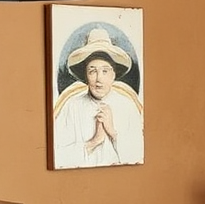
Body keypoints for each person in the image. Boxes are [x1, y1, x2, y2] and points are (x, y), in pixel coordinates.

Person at [52, 26, 144, 168]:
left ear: (114, 75)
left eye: (105, 71)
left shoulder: (128, 106)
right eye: (92, 71)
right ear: (85, 75)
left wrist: (113, 132)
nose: (99, 79)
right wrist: (94, 141)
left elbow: (138, 156)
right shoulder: (72, 106)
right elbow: (57, 156)